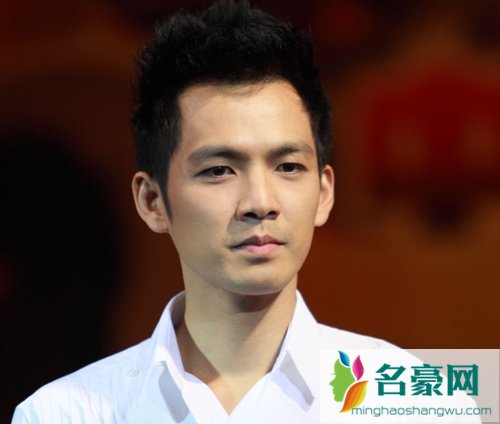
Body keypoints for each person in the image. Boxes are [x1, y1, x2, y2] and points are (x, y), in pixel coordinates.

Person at [11, 1, 480, 423]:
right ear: (152, 201)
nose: (260, 202)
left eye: (288, 166)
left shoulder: (414, 404)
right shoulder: (66, 413)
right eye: (219, 170)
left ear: (324, 193)